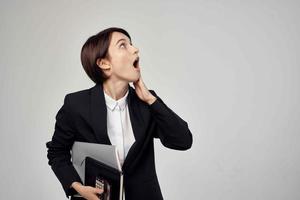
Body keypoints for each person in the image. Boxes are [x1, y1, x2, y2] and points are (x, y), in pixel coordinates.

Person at [46, 27, 193, 200]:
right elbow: (57, 153)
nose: (135, 49)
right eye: (123, 45)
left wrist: (150, 99)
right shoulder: (76, 105)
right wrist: (78, 188)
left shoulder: (146, 103)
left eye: (131, 44)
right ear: (104, 63)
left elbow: (183, 141)